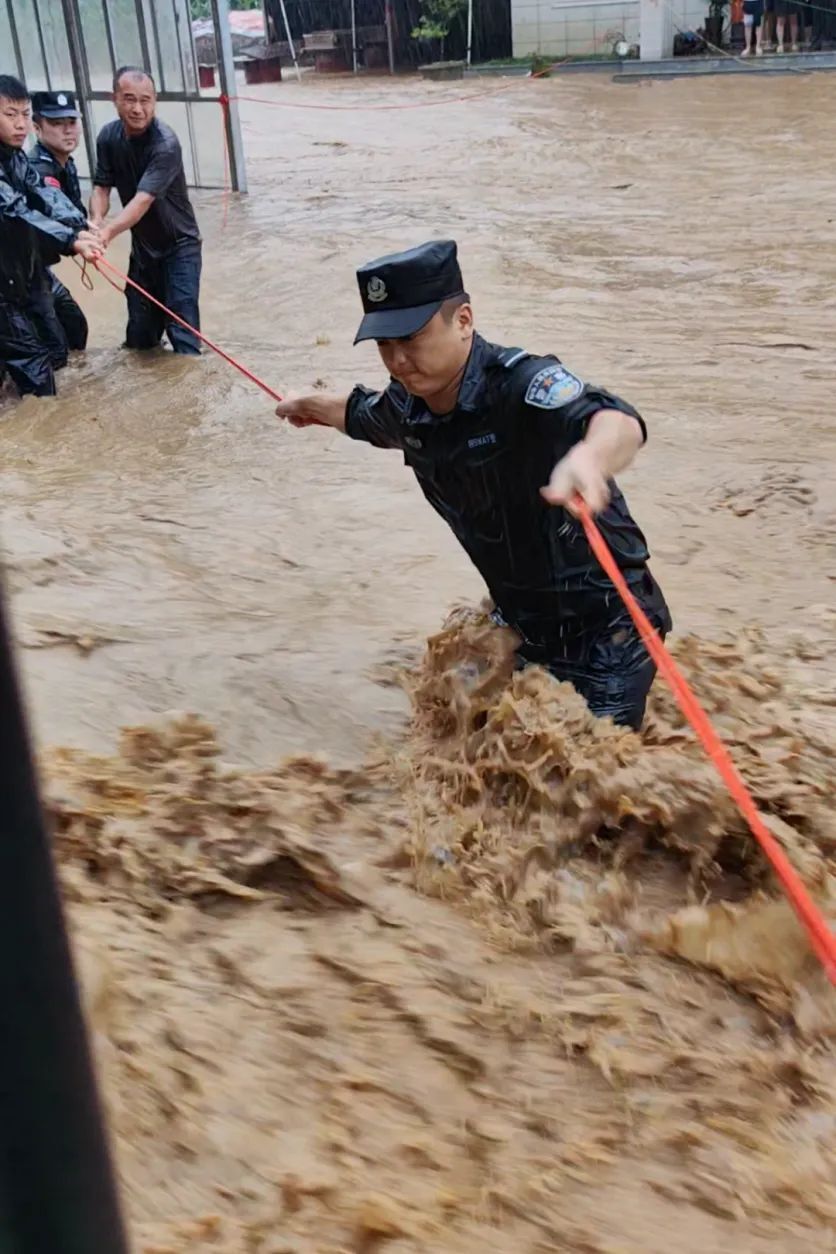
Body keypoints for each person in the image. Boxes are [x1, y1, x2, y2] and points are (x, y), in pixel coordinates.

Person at [275, 241, 672, 731]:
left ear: (463, 320)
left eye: (412, 339)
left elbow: (618, 421)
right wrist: (307, 404)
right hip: (523, 626)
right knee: (463, 732)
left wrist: (589, 460)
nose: (398, 360)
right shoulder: (407, 407)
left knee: (591, 789)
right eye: (384, 345)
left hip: (607, 633)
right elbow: (358, 413)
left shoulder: (523, 384)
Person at [89, 66, 201, 356]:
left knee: (182, 332)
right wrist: (95, 222)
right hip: (144, 249)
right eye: (129, 99)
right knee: (140, 337)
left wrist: (108, 233)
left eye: (145, 100)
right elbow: (102, 187)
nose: (138, 109)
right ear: (114, 98)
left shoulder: (165, 144)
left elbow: (141, 201)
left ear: (155, 102)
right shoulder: (107, 138)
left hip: (180, 248)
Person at [0, 75, 100, 397]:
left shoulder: (16, 158)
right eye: (10, 115)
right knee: (34, 366)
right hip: (2, 287)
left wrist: (79, 226)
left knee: (60, 345)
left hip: (27, 272)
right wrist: (70, 240)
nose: (20, 124)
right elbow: (15, 211)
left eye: (25, 115)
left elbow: (42, 192)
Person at [29, 90, 89, 352]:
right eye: (56, 123)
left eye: (71, 122)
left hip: (38, 268)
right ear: (37, 127)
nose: (67, 131)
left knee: (73, 324)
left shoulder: (65, 163)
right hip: (19, 273)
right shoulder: (39, 169)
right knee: (54, 346)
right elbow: (55, 207)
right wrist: (82, 233)